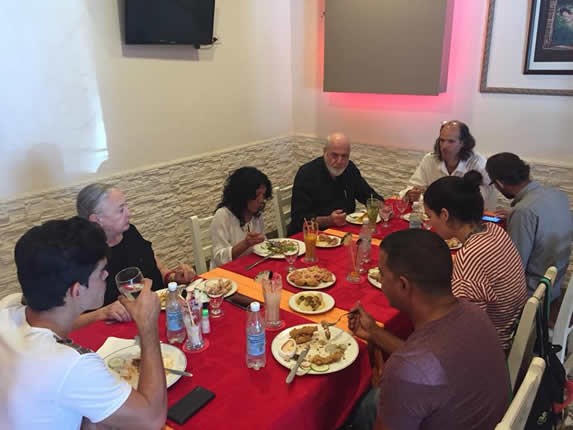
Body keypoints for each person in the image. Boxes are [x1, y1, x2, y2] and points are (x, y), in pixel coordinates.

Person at [0, 217, 167, 429]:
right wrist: (148, 326)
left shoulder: (7, 309)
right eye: (101, 272)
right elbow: (151, 420)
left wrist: (100, 313)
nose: (107, 275)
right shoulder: (70, 364)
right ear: (77, 290)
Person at [348, 229, 508, 430]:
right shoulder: (473, 312)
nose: (380, 279)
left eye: (381, 273)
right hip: (489, 418)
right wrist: (374, 332)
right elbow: (430, 365)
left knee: (359, 405)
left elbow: (416, 369)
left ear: (403, 285)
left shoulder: (406, 371)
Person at [423, 170, 528, 351]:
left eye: (429, 216)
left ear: (445, 215)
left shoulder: (469, 256)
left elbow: (466, 330)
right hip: (514, 326)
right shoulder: (494, 230)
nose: (429, 223)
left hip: (494, 345)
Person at [76, 183, 194, 318]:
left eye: (126, 206)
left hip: (160, 313)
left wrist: (172, 277)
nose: (129, 213)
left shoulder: (129, 232)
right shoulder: (82, 255)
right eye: (121, 210)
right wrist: (104, 312)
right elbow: (64, 325)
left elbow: (152, 263)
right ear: (97, 220)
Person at [486, 152, 573, 301]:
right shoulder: (556, 195)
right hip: (554, 284)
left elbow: (514, 268)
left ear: (499, 183)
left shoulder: (523, 211)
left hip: (532, 294)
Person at [289, 132, 383, 235]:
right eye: (334, 155)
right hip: (310, 235)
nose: (339, 161)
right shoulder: (306, 174)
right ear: (325, 152)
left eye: (344, 156)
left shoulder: (349, 169)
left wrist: (383, 206)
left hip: (342, 232)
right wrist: (329, 220)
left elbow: (368, 195)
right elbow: (299, 219)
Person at [400, 120, 496, 210]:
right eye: (442, 140)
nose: (444, 146)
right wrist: (410, 193)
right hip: (436, 216)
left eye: (451, 141)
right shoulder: (430, 160)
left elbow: (482, 202)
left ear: (463, 143)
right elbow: (412, 186)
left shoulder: (478, 164)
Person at [210, 167, 272, 268]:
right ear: (243, 195)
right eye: (257, 195)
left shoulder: (256, 214)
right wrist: (245, 244)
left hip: (251, 266)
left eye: (263, 194)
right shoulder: (223, 216)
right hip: (228, 274)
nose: (261, 200)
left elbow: (261, 245)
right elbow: (219, 259)